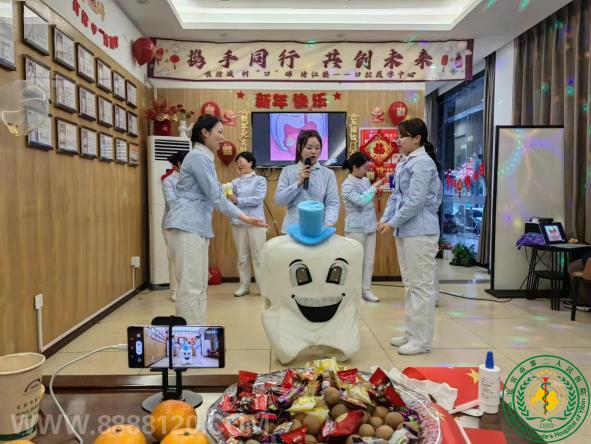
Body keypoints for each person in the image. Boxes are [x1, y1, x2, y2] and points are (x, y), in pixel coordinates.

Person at [164, 115, 268, 324]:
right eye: (219, 132)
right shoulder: (197, 157)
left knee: (200, 286)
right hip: (186, 226)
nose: (222, 137)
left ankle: (197, 334)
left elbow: (215, 193)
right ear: (204, 133)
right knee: (191, 289)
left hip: (197, 227)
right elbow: (216, 197)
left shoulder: (204, 158)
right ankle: (190, 339)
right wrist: (245, 217)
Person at [378, 118, 442, 356]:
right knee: (410, 286)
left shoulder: (423, 163)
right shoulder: (405, 162)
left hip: (421, 232)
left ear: (417, 139)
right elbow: (396, 196)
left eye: (402, 136)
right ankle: (411, 333)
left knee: (421, 287)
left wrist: (392, 222)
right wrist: (386, 218)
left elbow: (415, 201)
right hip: (406, 231)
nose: (398, 140)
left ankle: (421, 341)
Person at [341, 152, 387, 302]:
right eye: (365, 168)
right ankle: (354, 293)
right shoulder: (347, 184)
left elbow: (369, 203)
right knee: (356, 262)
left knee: (369, 261)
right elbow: (361, 201)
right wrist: (375, 186)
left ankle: (366, 291)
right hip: (355, 229)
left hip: (370, 227)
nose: (367, 171)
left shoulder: (366, 181)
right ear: (355, 167)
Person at [275, 129, 339, 232]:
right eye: (309, 148)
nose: (313, 151)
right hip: (293, 228)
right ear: (299, 147)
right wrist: (298, 183)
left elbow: (332, 204)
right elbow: (280, 201)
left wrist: (325, 226)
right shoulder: (287, 171)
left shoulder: (328, 174)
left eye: (317, 148)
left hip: (318, 229)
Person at [227, 152, 268, 297]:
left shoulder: (260, 180)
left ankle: (263, 287)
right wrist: (230, 199)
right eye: (237, 163)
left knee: (258, 256)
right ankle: (244, 286)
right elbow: (229, 201)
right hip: (238, 222)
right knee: (242, 257)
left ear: (250, 163)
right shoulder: (233, 183)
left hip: (256, 222)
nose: (239, 165)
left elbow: (257, 199)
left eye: (241, 162)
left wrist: (238, 200)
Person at [161, 151, 187, 302]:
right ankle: (175, 290)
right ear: (178, 164)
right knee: (173, 257)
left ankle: (186, 289)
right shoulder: (169, 181)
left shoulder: (192, 179)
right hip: (172, 225)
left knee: (187, 258)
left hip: (189, 224)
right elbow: (172, 203)